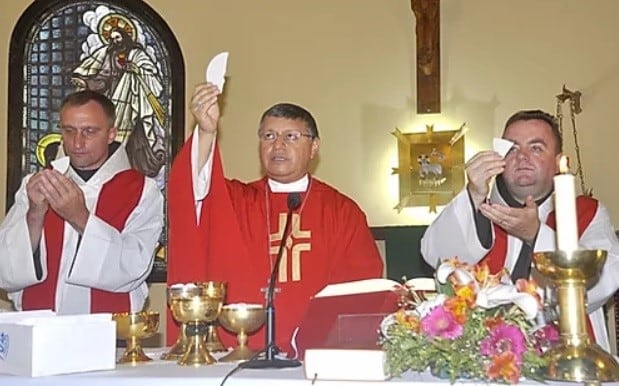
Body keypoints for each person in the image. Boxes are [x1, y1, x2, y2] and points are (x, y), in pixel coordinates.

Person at [167, 82, 383, 355]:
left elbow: (361, 289)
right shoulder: (238, 201)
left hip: (318, 354)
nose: (278, 145)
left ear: (314, 147)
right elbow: (191, 189)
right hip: (243, 351)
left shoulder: (341, 212)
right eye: (268, 136)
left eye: (291, 136)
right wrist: (207, 132)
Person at [420, 109, 619, 352]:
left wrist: (536, 235)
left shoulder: (586, 213)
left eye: (536, 148)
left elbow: (607, 278)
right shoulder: (480, 209)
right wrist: (473, 194)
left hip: (565, 355)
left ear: (558, 163)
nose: (522, 157)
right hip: (485, 357)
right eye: (512, 148)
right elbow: (436, 257)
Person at [0, 90, 164, 314]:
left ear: (111, 133)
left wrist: (80, 217)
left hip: (108, 333)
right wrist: (35, 215)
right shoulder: (37, 184)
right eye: (69, 131)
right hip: (39, 332)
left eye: (89, 131)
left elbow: (134, 267)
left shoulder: (142, 190)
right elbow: (5, 271)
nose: (77, 143)